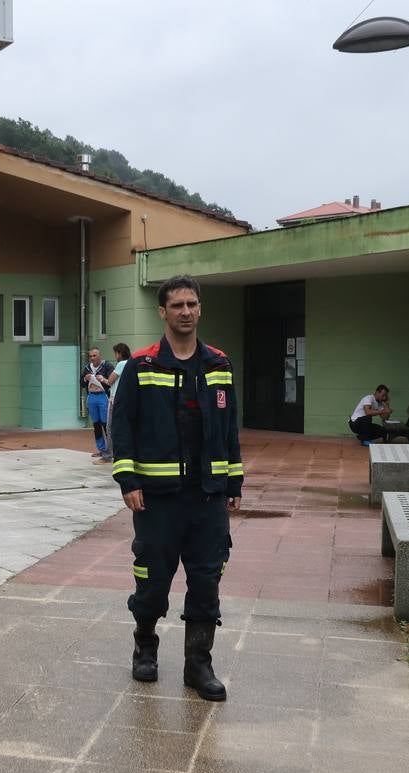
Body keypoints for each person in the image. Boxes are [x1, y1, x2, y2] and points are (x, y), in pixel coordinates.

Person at [109, 274, 243, 702]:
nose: (185, 311)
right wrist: (128, 479)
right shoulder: (142, 366)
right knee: (152, 581)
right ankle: (144, 647)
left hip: (208, 499)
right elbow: (122, 426)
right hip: (157, 501)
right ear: (162, 311)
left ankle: (198, 665)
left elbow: (230, 429)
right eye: (177, 305)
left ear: (200, 308)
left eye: (192, 304)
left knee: (206, 581)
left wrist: (234, 479)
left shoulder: (219, 365)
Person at [82, 347, 115, 461]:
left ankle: (110, 451)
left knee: (106, 424)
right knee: (96, 424)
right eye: (90, 356)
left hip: (103, 396)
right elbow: (81, 383)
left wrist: (103, 379)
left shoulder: (107, 366)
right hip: (92, 397)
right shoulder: (87, 368)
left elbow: (113, 380)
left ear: (99, 356)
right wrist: (86, 379)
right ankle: (101, 449)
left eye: (94, 356)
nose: (92, 358)